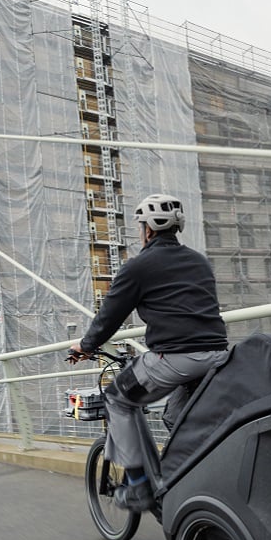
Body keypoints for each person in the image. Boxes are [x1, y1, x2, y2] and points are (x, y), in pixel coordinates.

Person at [69, 193, 228, 512]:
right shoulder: (198, 261)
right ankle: (194, 475)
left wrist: (85, 347)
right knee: (175, 415)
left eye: (141, 225)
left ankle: (140, 485)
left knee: (117, 398)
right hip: (218, 354)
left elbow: (109, 316)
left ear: (148, 230)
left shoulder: (138, 266)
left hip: (176, 358)